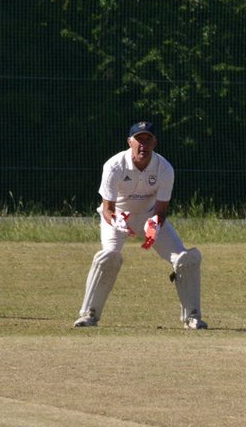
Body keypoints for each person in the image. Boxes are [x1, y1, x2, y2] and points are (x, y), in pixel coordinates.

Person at [74, 121, 206, 329]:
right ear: (130, 142)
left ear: (155, 142)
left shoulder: (164, 168)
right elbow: (108, 208)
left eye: (148, 139)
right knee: (109, 256)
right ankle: (88, 315)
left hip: (148, 216)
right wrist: (119, 222)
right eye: (139, 140)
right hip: (117, 216)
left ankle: (193, 317)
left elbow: (161, 211)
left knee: (185, 259)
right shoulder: (114, 165)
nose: (143, 145)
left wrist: (152, 230)